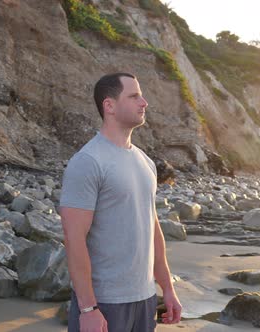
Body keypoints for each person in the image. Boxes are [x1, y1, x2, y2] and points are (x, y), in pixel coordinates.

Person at [59, 73, 182, 332]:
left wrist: (167, 288)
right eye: (134, 96)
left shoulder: (146, 162)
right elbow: (73, 238)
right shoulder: (88, 161)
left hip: (145, 298)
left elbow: (152, 227)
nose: (144, 102)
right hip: (105, 302)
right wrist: (88, 308)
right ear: (110, 106)